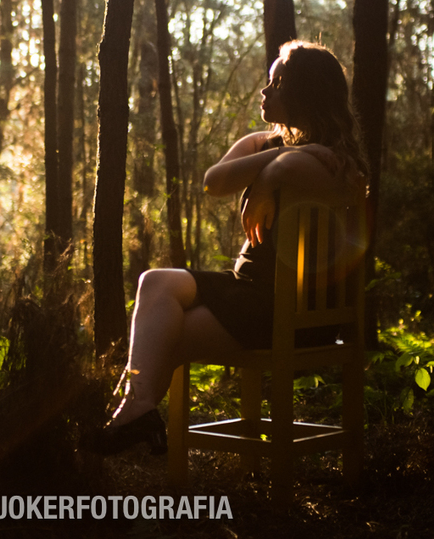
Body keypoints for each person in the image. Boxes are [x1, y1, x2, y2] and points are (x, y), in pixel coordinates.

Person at [94, 40, 368, 455]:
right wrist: (269, 166)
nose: (265, 91)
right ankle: (135, 413)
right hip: (247, 290)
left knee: (164, 333)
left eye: (277, 83)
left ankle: (127, 418)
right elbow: (213, 182)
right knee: (155, 283)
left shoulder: (335, 162)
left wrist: (276, 171)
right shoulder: (265, 144)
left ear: (305, 94)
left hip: (289, 310)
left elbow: (295, 166)